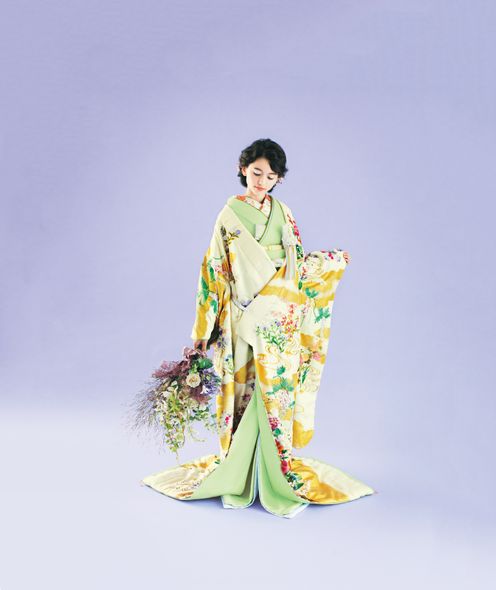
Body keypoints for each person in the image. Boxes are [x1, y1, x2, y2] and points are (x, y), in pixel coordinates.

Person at [140, 138, 377, 518]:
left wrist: (331, 261)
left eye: (270, 176)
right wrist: (203, 331)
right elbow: (214, 272)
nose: (262, 181)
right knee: (246, 391)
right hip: (242, 315)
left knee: (274, 395)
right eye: (256, 173)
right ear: (243, 169)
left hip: (278, 318)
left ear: (279, 179)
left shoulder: (284, 212)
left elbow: (296, 266)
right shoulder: (228, 216)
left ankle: (273, 471)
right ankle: (240, 471)